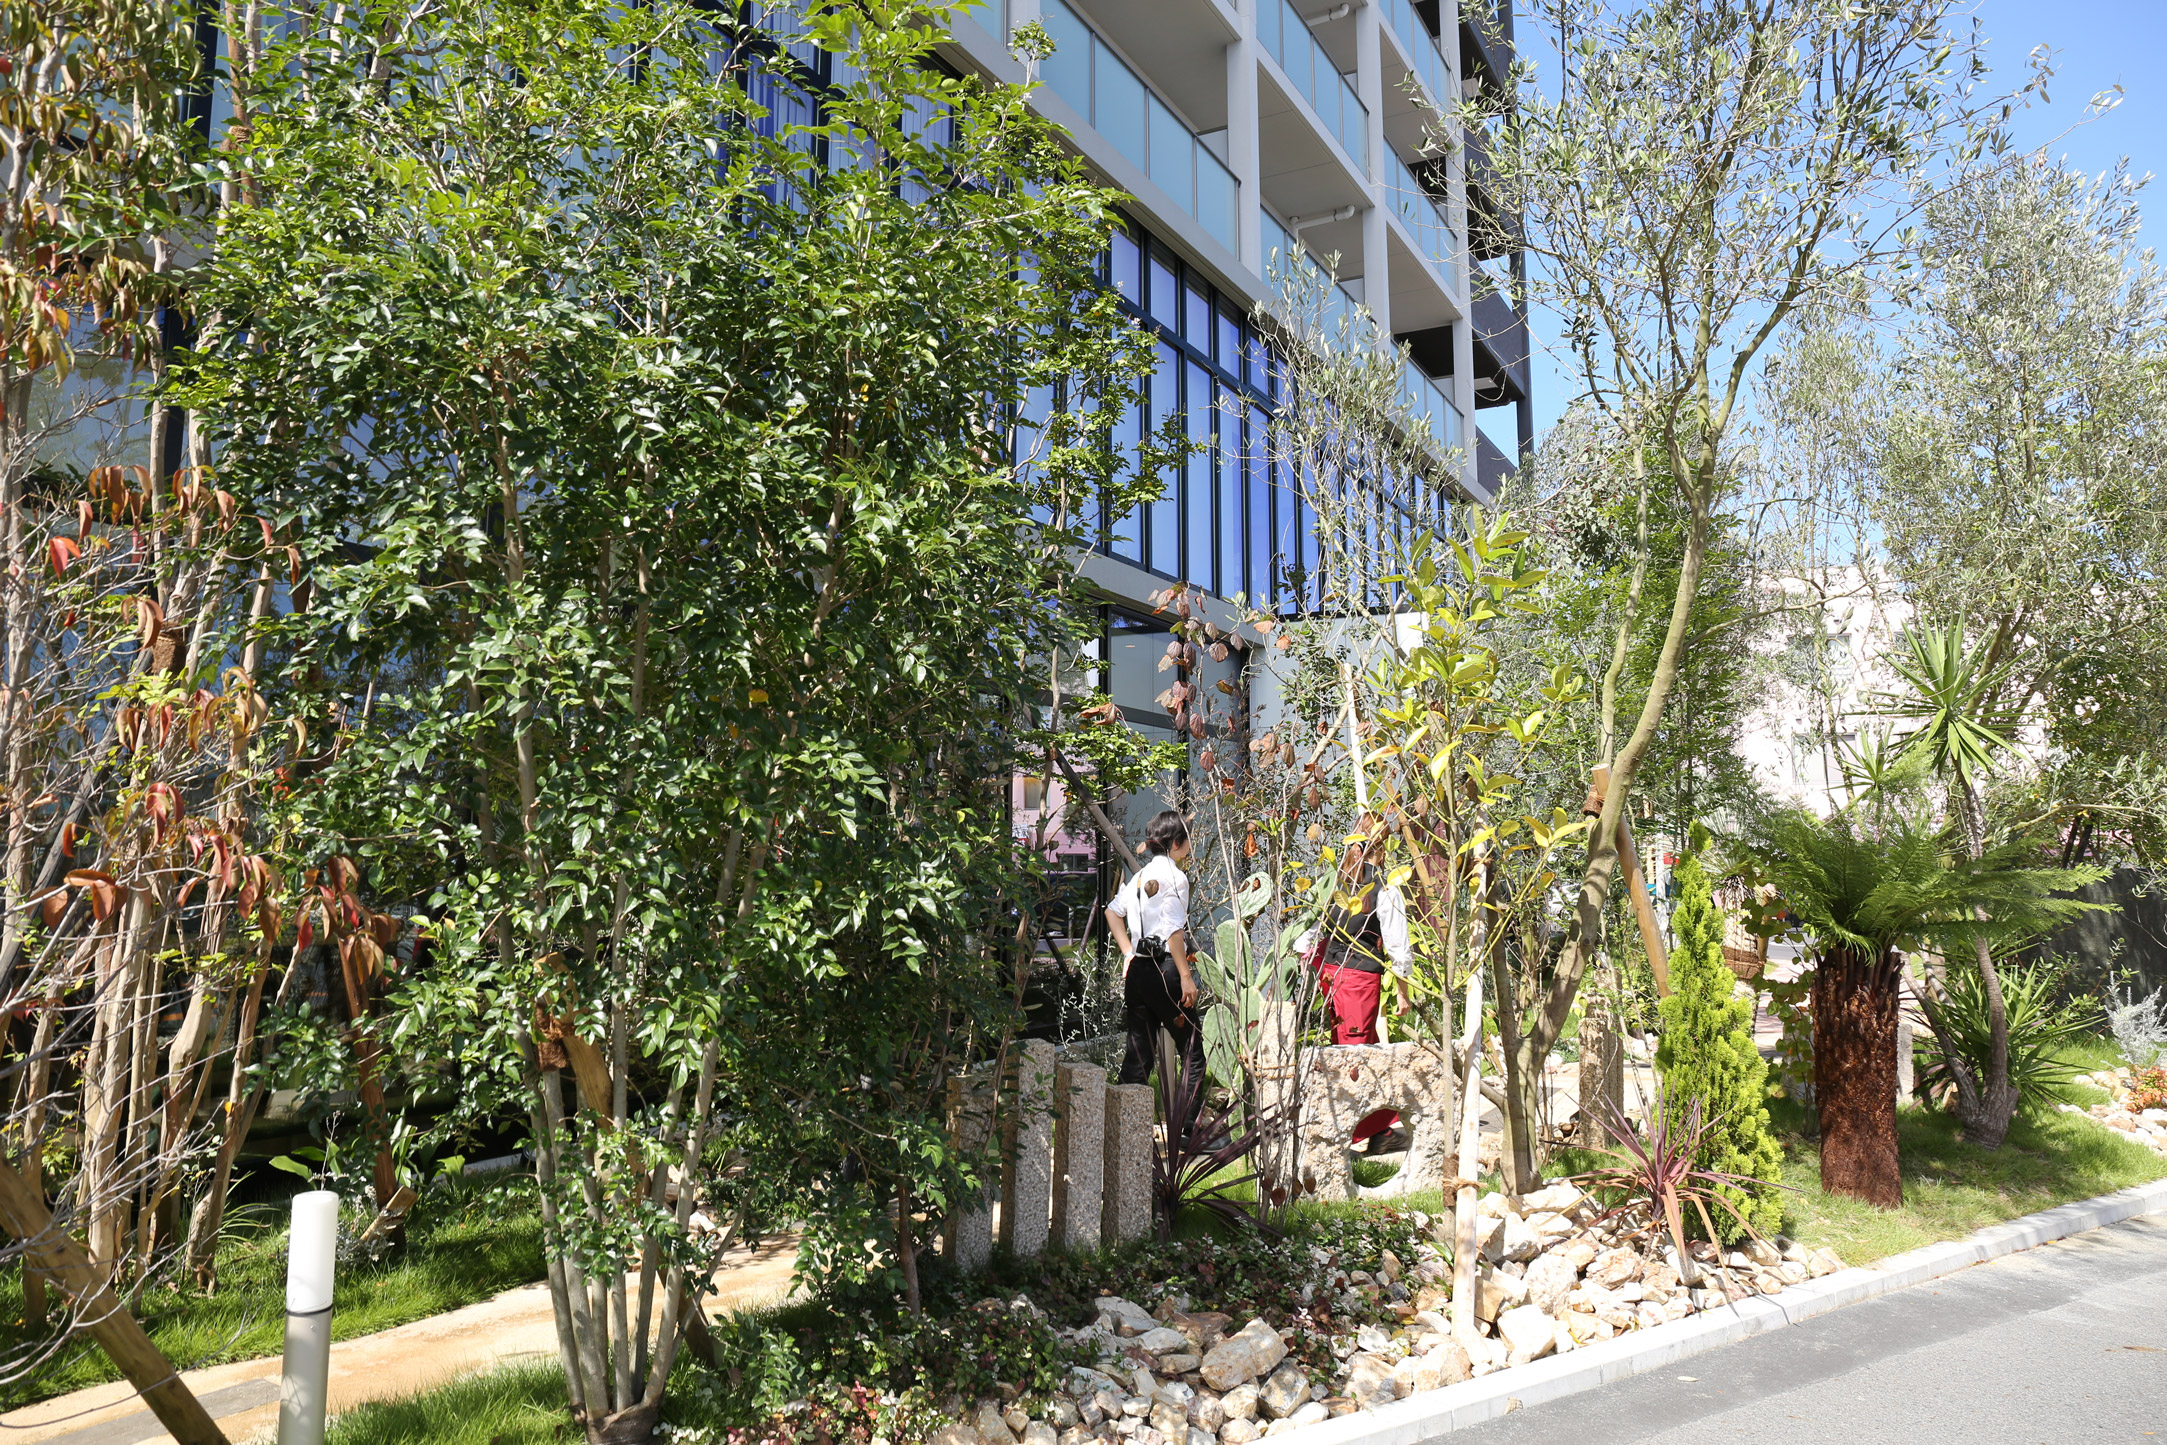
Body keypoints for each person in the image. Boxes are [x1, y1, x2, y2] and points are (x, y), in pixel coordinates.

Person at [1296, 815, 1414, 1150]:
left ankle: (1379, 1129)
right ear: (1384, 845)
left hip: (1332, 977)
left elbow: (1309, 935)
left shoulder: (1336, 882)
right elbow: (1397, 946)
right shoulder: (1384, 889)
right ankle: (1350, 1132)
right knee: (1356, 1057)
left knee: (1357, 1049)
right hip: (1360, 979)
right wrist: (1403, 992)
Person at [1104, 810, 1205, 1088]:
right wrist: (1186, 977)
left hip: (1138, 972)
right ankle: (1186, 1132)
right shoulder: (1176, 877)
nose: (1190, 843)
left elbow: (1112, 913)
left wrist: (1128, 953)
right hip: (1166, 971)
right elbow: (1174, 930)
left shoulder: (1140, 876)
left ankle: (1121, 1129)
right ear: (1175, 843)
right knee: (1193, 1053)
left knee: (1138, 1057)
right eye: (1188, 838)